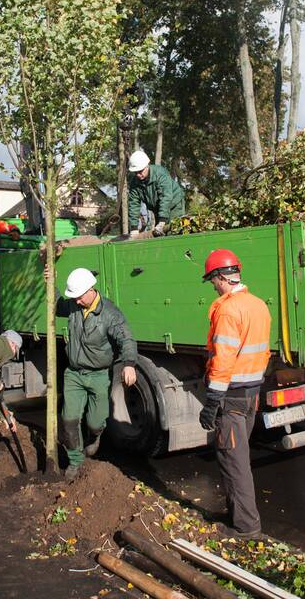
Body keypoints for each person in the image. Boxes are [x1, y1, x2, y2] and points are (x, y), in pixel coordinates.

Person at [198, 249, 272, 538]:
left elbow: (223, 358)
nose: (213, 286)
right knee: (238, 458)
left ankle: (245, 528)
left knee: (233, 462)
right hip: (250, 393)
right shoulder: (257, 305)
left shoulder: (228, 310)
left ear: (221, 277)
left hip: (231, 397)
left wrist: (212, 401)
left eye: (212, 281)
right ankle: (239, 518)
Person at [48, 265, 138, 479]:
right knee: (69, 419)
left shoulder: (110, 314)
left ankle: (94, 436)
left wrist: (129, 364)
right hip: (74, 374)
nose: (76, 301)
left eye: (78, 297)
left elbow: (126, 339)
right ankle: (75, 461)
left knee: (95, 422)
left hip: (99, 375)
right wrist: (50, 282)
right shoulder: (73, 305)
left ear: (90, 290)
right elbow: (56, 305)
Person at [127, 150, 186, 236]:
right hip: (158, 208)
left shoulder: (160, 174)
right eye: (136, 173)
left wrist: (162, 221)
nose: (138, 175)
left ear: (147, 166)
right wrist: (134, 228)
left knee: (173, 231)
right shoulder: (135, 183)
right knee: (159, 234)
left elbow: (165, 197)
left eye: (140, 171)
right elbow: (133, 204)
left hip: (174, 205)